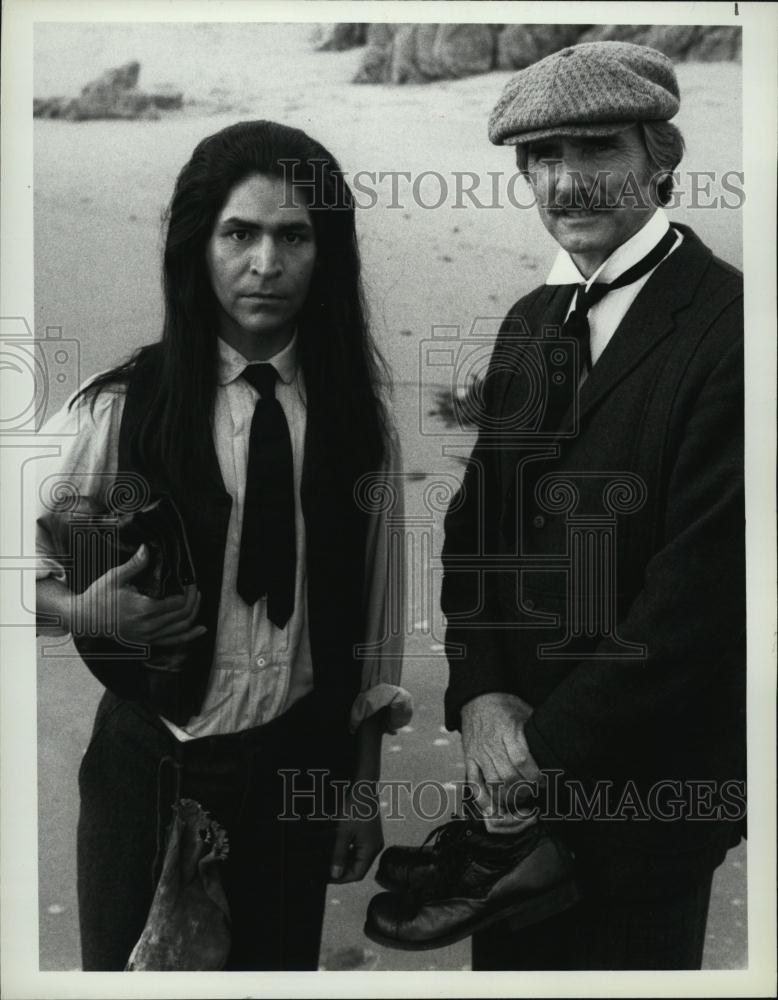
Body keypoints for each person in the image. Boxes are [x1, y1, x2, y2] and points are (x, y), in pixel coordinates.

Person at [367, 41, 745, 970]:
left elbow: (701, 600)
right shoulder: (532, 323)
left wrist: (535, 750)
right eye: (542, 156)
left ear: (661, 157)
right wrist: (479, 694)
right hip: (507, 809)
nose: (568, 181)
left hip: (646, 812)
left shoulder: (736, 331)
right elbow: (477, 532)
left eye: (599, 147)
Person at [36, 120, 410, 971]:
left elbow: (374, 628)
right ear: (197, 248)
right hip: (151, 770)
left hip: (294, 776)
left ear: (327, 253)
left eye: (294, 236)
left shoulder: (359, 427)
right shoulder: (119, 408)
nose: (266, 264)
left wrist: (360, 789)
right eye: (239, 234)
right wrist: (80, 609)